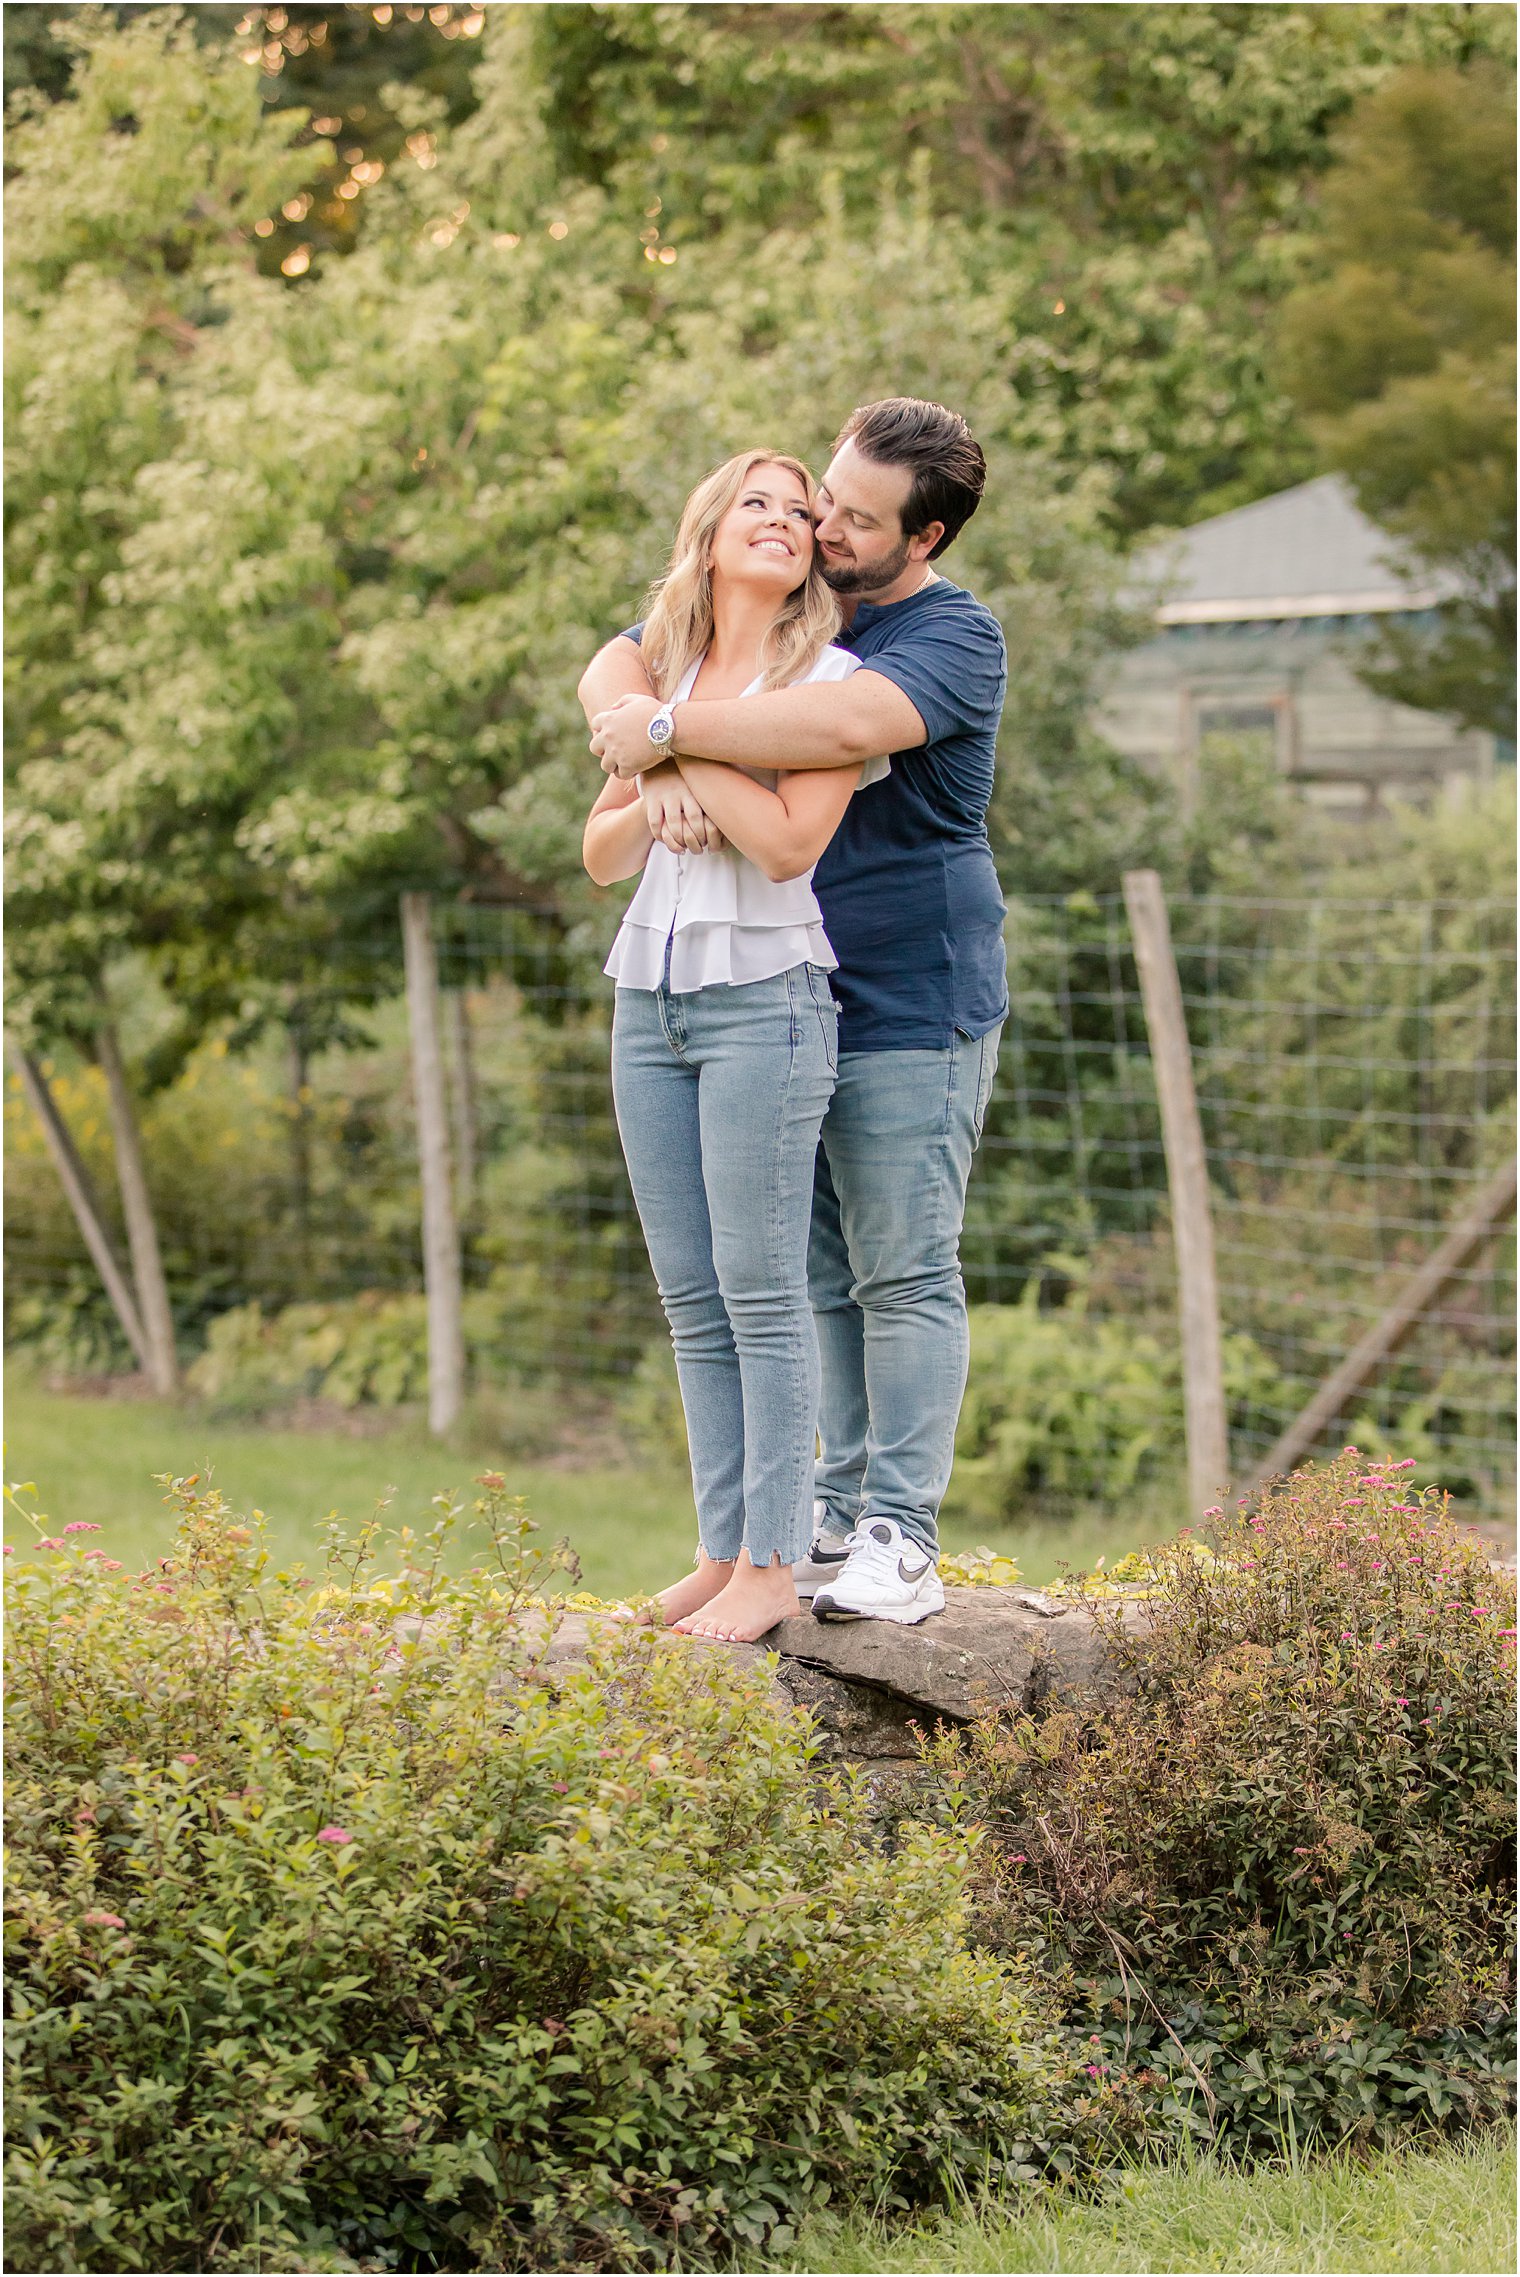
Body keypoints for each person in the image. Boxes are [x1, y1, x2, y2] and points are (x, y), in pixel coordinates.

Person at [580, 398, 1007, 1626]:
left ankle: (898, 1535)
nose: (819, 522)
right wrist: (641, 714)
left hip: (905, 989)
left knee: (901, 1266)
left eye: (853, 516)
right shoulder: (783, 607)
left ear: (920, 540)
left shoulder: (940, 639)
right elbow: (620, 659)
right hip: (768, 988)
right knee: (800, 1271)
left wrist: (660, 737)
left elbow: (830, 726)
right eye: (816, 494)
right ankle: (806, 1510)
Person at [582, 449, 889, 1644]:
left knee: (765, 1295)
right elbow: (602, 854)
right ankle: (719, 1555)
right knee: (692, 1301)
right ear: (708, 533)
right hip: (647, 1001)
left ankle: (774, 1563)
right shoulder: (655, 673)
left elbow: (780, 844)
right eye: (750, 502)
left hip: (767, 997)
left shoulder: (831, 677)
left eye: (794, 509)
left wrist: (671, 746)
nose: (776, 519)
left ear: (812, 549)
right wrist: (652, 758)